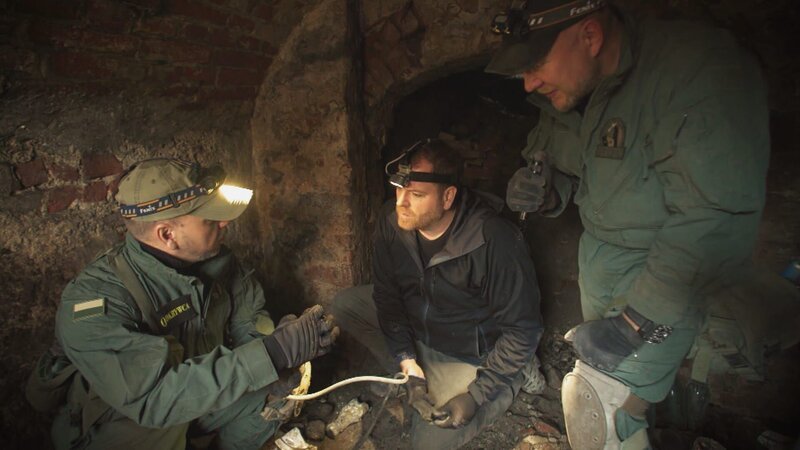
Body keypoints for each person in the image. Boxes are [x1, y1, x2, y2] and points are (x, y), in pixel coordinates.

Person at [486, 0, 771, 448]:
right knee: (623, 412)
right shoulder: (577, 90)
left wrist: (636, 324)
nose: (529, 82)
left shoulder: (692, 70)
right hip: (602, 271)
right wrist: (546, 191)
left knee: (599, 411)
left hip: (665, 279)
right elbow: (581, 168)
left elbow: (712, 218)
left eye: (537, 63)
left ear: (591, 36)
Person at [29, 158, 338, 449]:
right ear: (167, 234)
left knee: (283, 382)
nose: (225, 223)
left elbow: (249, 326)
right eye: (210, 219)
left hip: (200, 392)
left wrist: (274, 346)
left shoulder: (222, 266)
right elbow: (153, 400)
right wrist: (273, 352)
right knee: (156, 420)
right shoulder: (96, 301)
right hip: (133, 420)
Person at [332, 140, 544, 450]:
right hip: (421, 328)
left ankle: (512, 379)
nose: (402, 203)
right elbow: (388, 297)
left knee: (429, 442)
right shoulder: (394, 222)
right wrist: (406, 360)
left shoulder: (493, 239)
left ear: (448, 196)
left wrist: (474, 397)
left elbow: (523, 329)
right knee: (346, 305)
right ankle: (414, 373)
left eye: (416, 195)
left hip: (468, 350)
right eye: (398, 190)